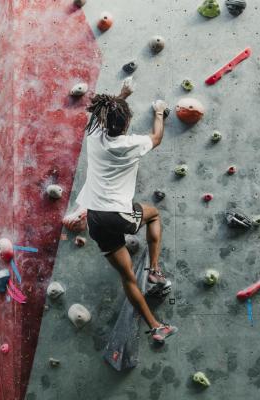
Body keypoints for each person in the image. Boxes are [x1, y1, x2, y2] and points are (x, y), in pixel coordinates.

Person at [75, 79, 178, 343]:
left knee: (127, 277)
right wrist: (159, 112)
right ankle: (154, 269)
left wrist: (123, 95)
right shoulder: (130, 144)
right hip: (117, 214)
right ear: (126, 125)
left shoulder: (94, 136)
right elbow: (156, 137)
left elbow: (101, 112)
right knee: (153, 214)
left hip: (96, 217)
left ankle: (156, 328)